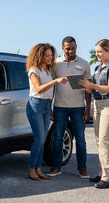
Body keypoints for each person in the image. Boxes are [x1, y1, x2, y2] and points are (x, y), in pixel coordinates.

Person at [78, 39, 109, 189]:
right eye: (96, 51)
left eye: (100, 51)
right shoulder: (97, 67)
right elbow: (94, 89)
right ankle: (103, 173)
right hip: (97, 104)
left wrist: (91, 85)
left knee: (104, 140)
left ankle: (108, 179)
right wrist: (85, 87)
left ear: (108, 51)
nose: (97, 54)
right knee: (99, 140)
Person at [48, 36, 91, 178]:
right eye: (68, 49)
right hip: (60, 106)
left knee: (80, 139)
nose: (71, 51)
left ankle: (82, 168)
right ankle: (56, 167)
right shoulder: (56, 64)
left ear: (76, 47)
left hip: (78, 107)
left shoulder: (84, 64)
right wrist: (51, 106)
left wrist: (88, 108)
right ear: (62, 48)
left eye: (73, 48)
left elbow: (88, 89)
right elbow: (52, 86)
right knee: (58, 138)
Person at [26, 43, 67, 181]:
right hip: (35, 105)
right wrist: (55, 81)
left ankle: (38, 169)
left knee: (43, 139)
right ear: (39, 56)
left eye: (51, 55)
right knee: (38, 139)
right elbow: (38, 89)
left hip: (45, 106)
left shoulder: (48, 70)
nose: (50, 58)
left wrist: (50, 108)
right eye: (47, 56)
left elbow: (49, 93)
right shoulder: (34, 70)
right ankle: (31, 169)